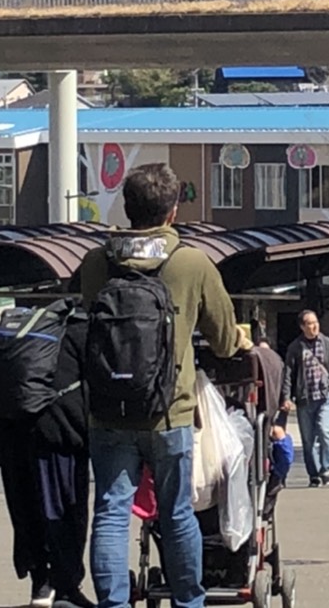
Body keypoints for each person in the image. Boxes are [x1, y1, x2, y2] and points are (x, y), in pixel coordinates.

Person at [79, 163, 246, 608]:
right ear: (173, 212)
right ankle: (188, 601)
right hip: (170, 410)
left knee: (111, 511)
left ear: (126, 208)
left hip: (108, 410)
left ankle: (114, 603)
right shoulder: (191, 262)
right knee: (177, 513)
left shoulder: (97, 262)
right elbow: (225, 340)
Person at [0, 308, 93, 608]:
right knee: (65, 509)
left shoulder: (6, 337)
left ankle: (40, 582)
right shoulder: (76, 330)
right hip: (59, 433)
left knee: (24, 508)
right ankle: (66, 587)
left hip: (10, 430)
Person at [280, 311, 329, 487]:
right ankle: (314, 474)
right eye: (310, 324)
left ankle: (326, 469)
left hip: (325, 396)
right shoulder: (295, 347)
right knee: (308, 440)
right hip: (304, 398)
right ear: (302, 327)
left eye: (316, 322)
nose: (314, 327)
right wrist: (286, 397)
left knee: (325, 431)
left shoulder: (327, 344)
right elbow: (288, 374)